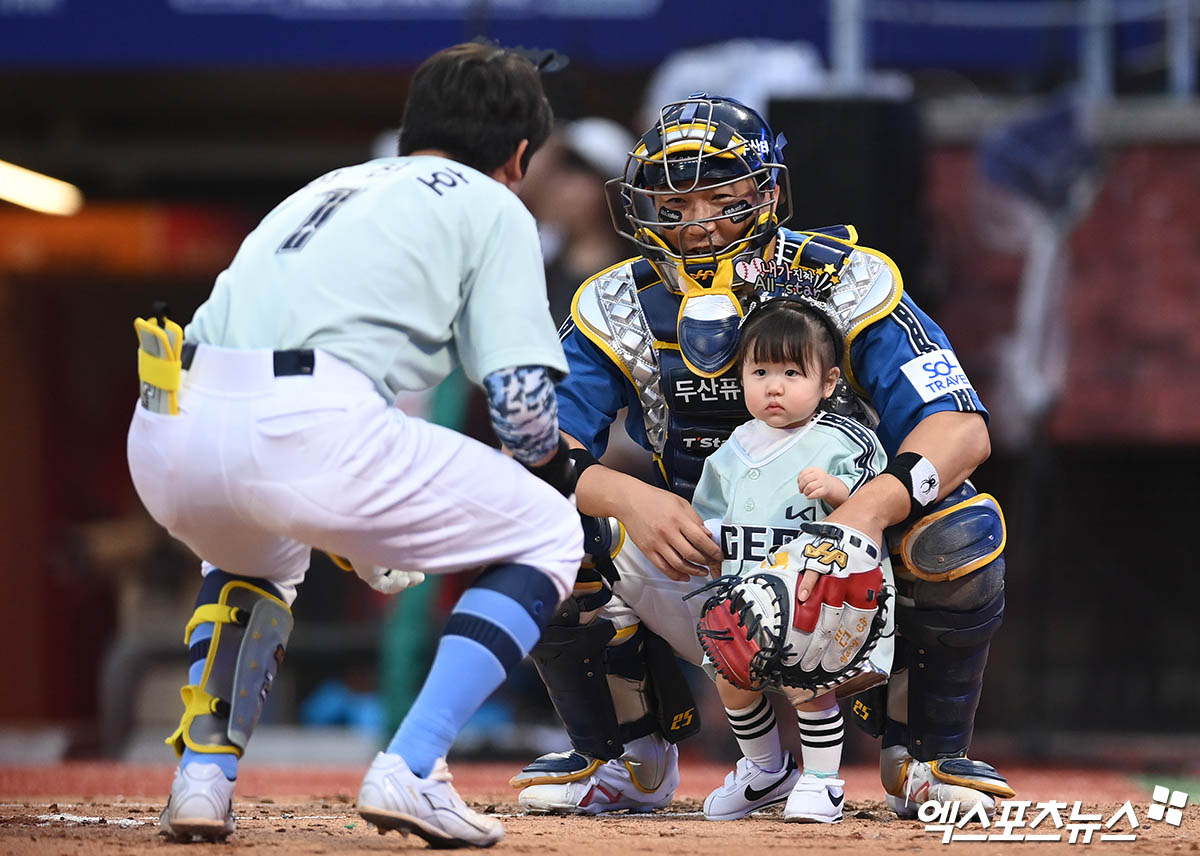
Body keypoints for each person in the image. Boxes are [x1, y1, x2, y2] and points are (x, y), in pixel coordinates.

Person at [126, 42, 583, 849]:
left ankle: (201, 782)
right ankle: (412, 767)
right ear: (518, 156)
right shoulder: (493, 200)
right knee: (549, 531)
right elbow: (519, 405)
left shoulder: (326, 186)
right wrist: (560, 476)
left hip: (169, 421)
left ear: (416, 128)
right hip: (306, 424)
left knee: (251, 564)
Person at [510, 93, 1014, 820]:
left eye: (720, 197)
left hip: (839, 566)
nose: (697, 223)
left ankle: (924, 755)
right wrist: (631, 498)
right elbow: (535, 444)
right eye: (674, 205)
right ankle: (624, 755)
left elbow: (961, 429)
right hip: (698, 554)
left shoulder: (842, 278)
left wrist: (865, 515)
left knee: (959, 528)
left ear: (768, 192)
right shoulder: (614, 302)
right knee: (536, 528)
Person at [691, 297, 889, 823]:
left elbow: (878, 511)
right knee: (731, 676)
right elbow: (709, 518)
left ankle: (822, 780)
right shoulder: (732, 449)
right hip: (745, 598)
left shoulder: (842, 441)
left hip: (815, 601)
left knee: (810, 686)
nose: (773, 386)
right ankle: (765, 769)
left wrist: (839, 490)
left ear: (827, 383)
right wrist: (711, 553)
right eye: (760, 371)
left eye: (791, 372)